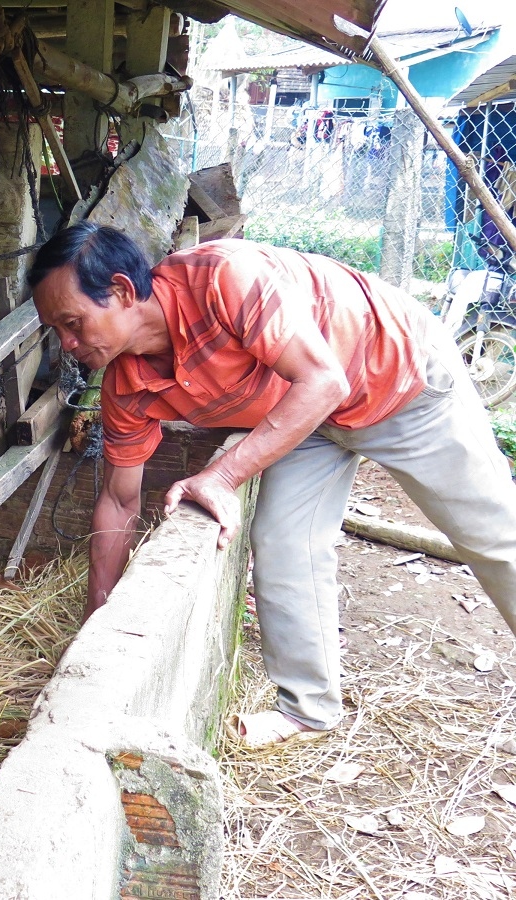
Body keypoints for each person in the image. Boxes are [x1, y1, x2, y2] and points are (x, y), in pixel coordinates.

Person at [28, 223, 516, 748]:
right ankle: (309, 709)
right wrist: (97, 626)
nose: (67, 344)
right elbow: (119, 500)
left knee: (492, 536)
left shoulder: (222, 279)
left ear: (123, 292)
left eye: (72, 323)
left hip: (395, 373)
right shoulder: (126, 385)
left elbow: (325, 379)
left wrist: (221, 474)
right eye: (56, 331)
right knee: (286, 545)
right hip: (305, 416)